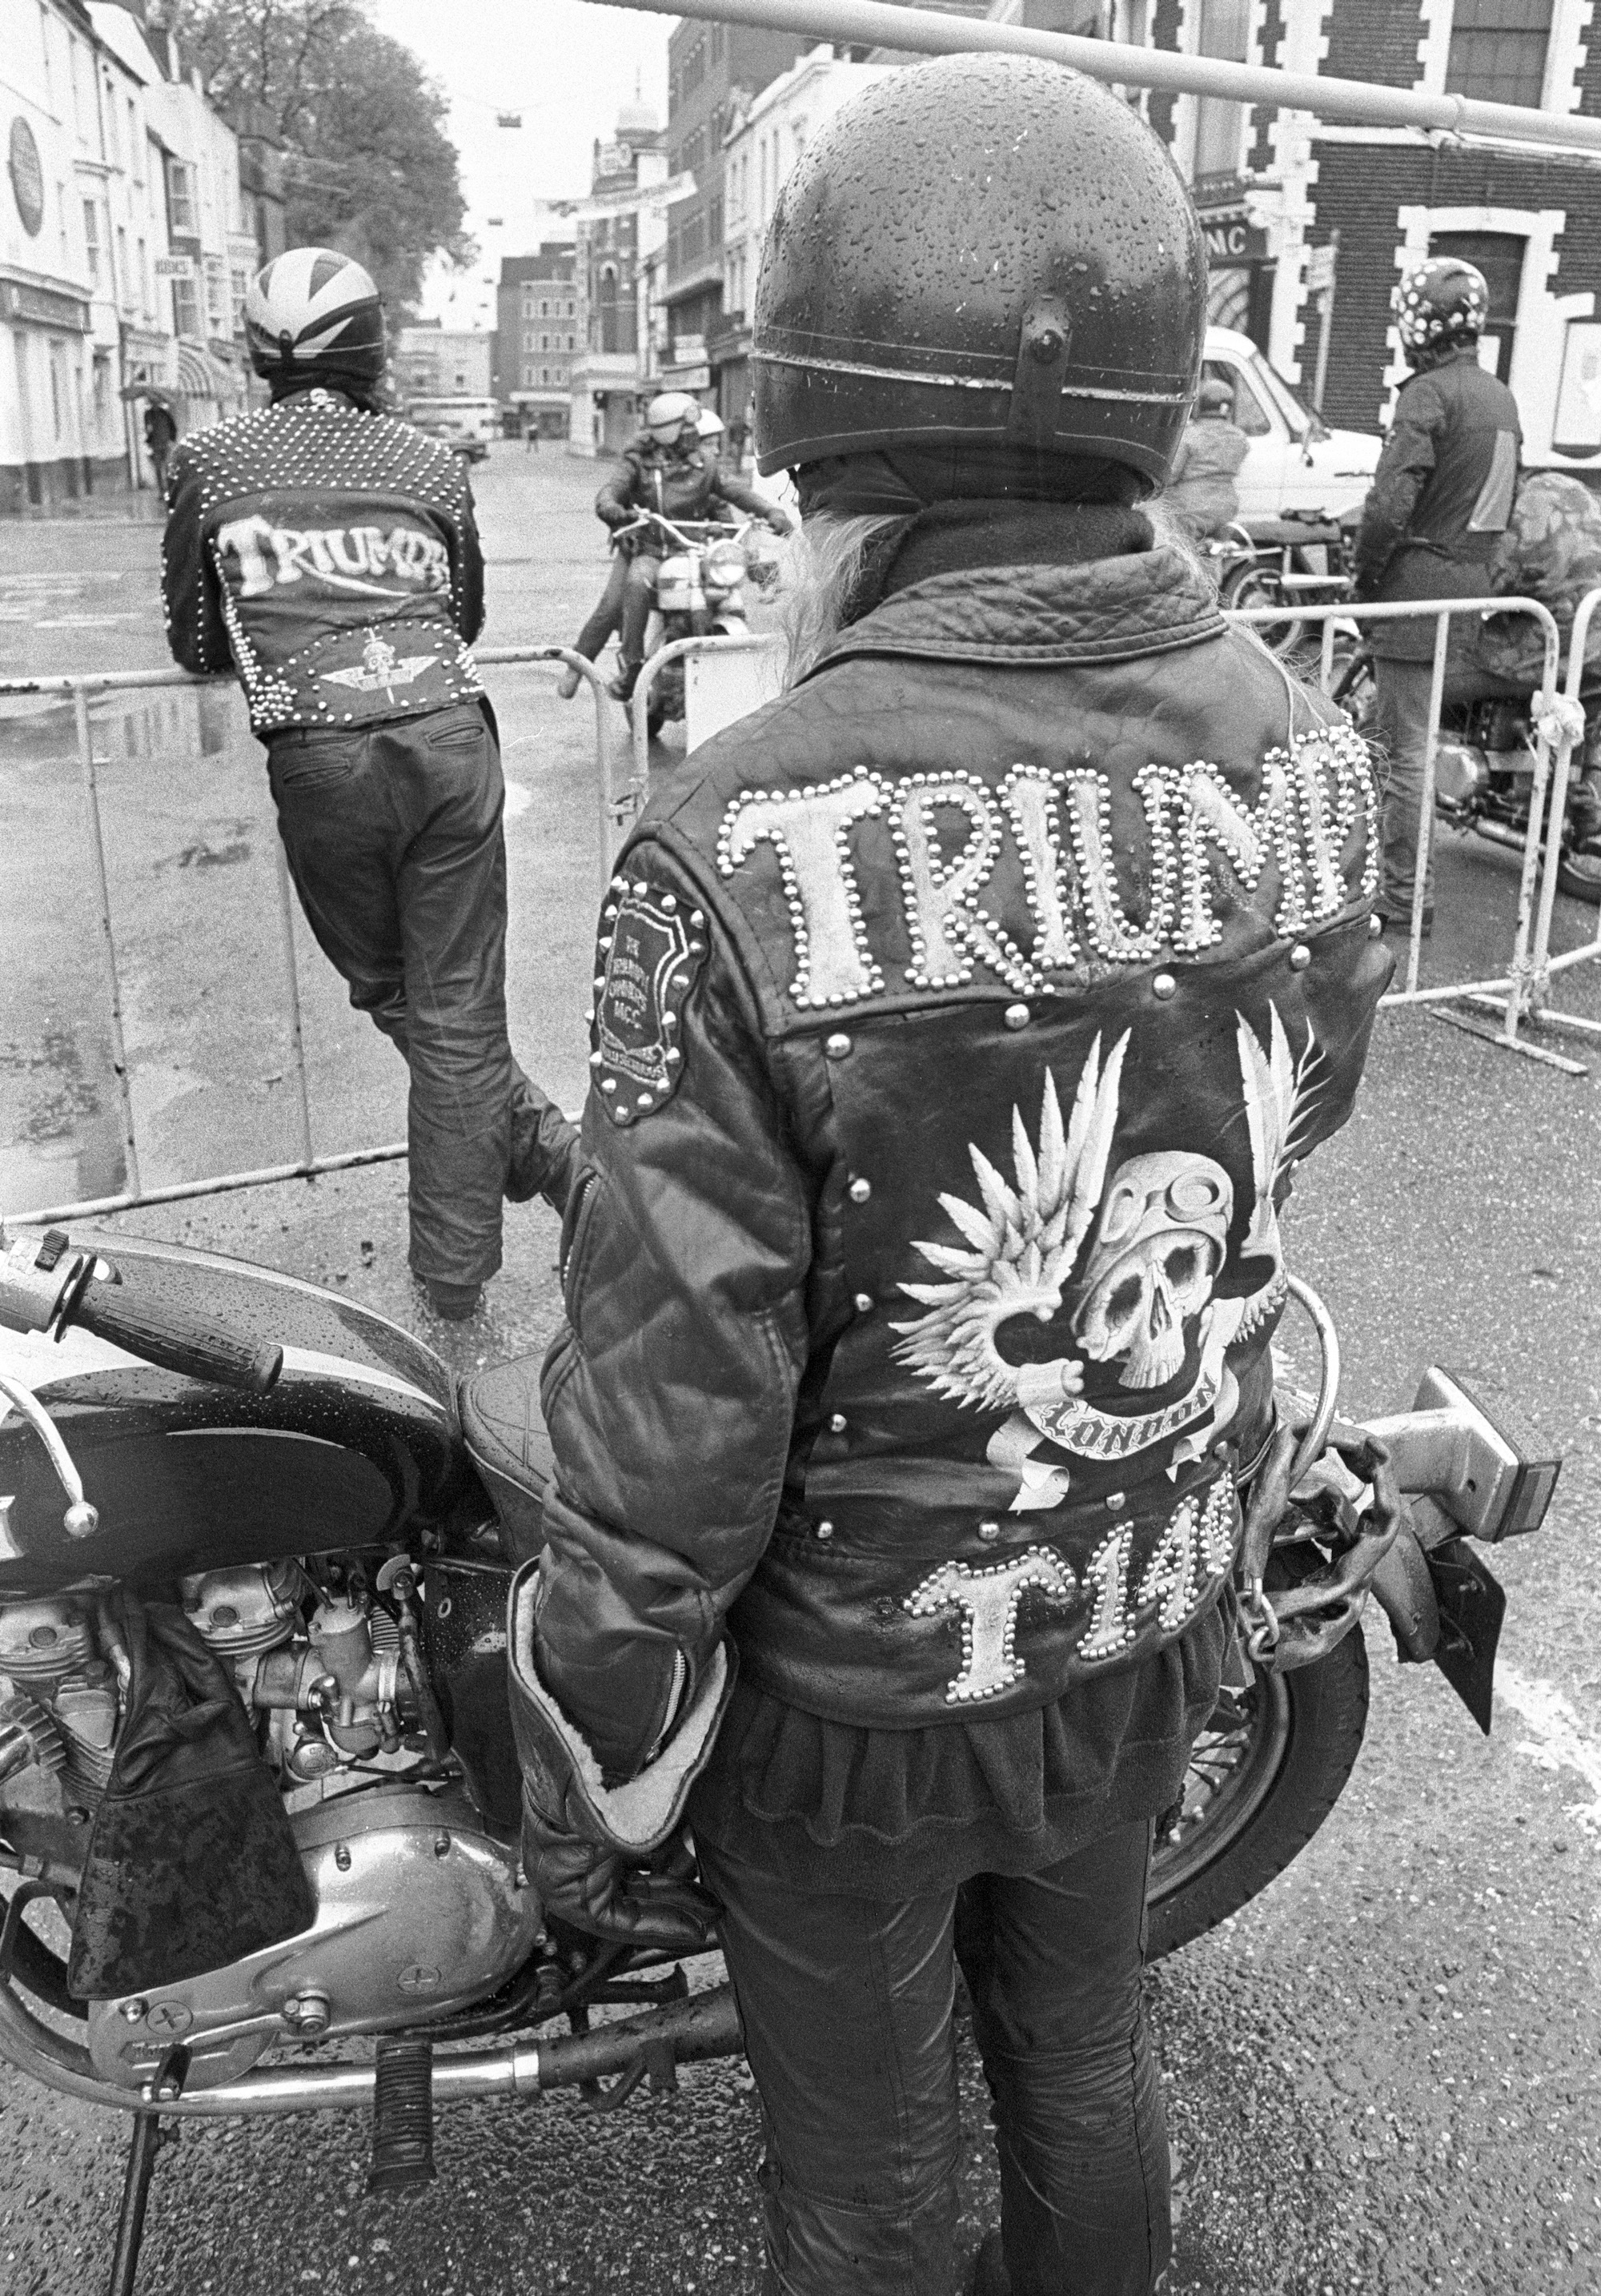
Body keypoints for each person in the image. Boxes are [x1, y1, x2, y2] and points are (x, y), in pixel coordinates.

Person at [475, 54, 1390, 2296]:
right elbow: (1297, 1109)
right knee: (1085, 2057)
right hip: (1156, 1596)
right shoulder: (1317, 756)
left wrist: (594, 1718)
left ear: (815, 447)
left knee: (865, 2164)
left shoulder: (737, 836)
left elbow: (677, 1400)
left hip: (860, 1696)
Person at [161, 245, 574, 1323]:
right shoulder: (433, 462)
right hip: (447, 736)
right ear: (376, 349)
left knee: (406, 1000)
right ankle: (497, 1236)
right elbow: (465, 617)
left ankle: (561, 1187)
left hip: (320, 754)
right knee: (455, 1009)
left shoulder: (210, 463)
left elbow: (196, 637)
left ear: (257, 356)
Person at [1353, 256, 1523, 933]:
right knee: (1399, 737)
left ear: (1418, 324)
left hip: (1415, 594)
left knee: (1403, 754)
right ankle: (1376, 868)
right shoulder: (1500, 397)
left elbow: (1390, 503)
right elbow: (1500, 503)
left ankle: (1401, 896)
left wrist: (1365, 576)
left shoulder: (1426, 395)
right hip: (1468, 593)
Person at [595, 388, 792, 699]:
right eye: (688, 430)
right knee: (637, 582)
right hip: (654, 550)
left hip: (695, 549)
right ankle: (633, 667)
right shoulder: (638, 463)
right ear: (669, 432)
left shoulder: (704, 463)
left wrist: (770, 510)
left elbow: (733, 490)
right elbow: (612, 491)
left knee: (727, 581)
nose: (694, 436)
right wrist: (611, 506)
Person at [1162, 377, 1250, 544]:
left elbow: (1171, 475)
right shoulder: (1240, 438)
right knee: (1217, 556)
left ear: (1198, 405)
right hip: (1226, 507)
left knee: (1183, 554)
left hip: (1190, 508)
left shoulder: (1189, 435)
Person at [143, 397, 177, 492]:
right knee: (158, 468)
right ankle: (161, 490)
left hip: (165, 443)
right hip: (155, 444)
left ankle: (170, 489)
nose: (154, 404)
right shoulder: (148, 414)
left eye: (156, 402)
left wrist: (172, 440)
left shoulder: (165, 413)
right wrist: (149, 440)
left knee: (168, 467)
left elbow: (173, 427)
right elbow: (147, 429)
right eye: (152, 402)